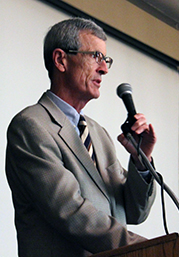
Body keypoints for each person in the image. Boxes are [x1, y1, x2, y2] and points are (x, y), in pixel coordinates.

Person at [5, 17, 156, 257]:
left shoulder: (99, 134)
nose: (104, 69)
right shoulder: (31, 126)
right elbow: (70, 212)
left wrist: (141, 160)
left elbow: (133, 212)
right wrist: (151, 251)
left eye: (106, 60)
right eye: (95, 56)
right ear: (61, 60)